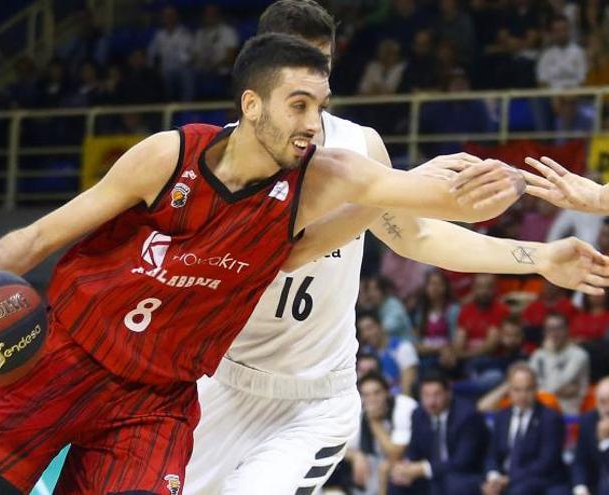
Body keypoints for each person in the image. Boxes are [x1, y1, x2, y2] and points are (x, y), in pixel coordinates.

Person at [0, 32, 528, 494]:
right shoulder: (168, 156)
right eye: (298, 105)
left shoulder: (318, 181)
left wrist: (511, 182)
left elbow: (429, 198)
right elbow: (36, 238)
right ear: (252, 104)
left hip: (158, 398)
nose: (314, 124)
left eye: (321, 106)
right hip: (71, 353)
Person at [186, 2, 609, 494]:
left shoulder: (359, 147)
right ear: (257, 78)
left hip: (312, 399)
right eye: (296, 68)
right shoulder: (211, 160)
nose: (313, 83)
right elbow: (282, 253)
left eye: (321, 66)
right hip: (221, 378)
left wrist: (538, 256)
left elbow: (420, 236)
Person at [388, 371, 488, 495]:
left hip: (464, 474)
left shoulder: (467, 416)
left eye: (437, 395)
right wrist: (406, 465)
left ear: (448, 393)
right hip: (432, 474)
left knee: (451, 484)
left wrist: (424, 469)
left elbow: (463, 461)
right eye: (426, 395)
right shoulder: (418, 414)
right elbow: (414, 449)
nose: (431, 401)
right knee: (397, 482)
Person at [482, 363, 570, 495]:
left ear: (536, 389)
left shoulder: (550, 419)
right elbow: (492, 454)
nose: (522, 395)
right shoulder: (501, 416)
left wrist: (509, 479)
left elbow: (546, 462)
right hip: (504, 477)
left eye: (528, 389)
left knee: (518, 491)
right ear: (509, 391)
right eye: (517, 390)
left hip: (538, 479)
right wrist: (493, 477)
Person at [572, 376, 609, 495]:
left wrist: (605, 441)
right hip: (593, 484)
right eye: (603, 402)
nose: (607, 409)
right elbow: (580, 460)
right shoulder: (588, 420)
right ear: (596, 402)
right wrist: (580, 487)